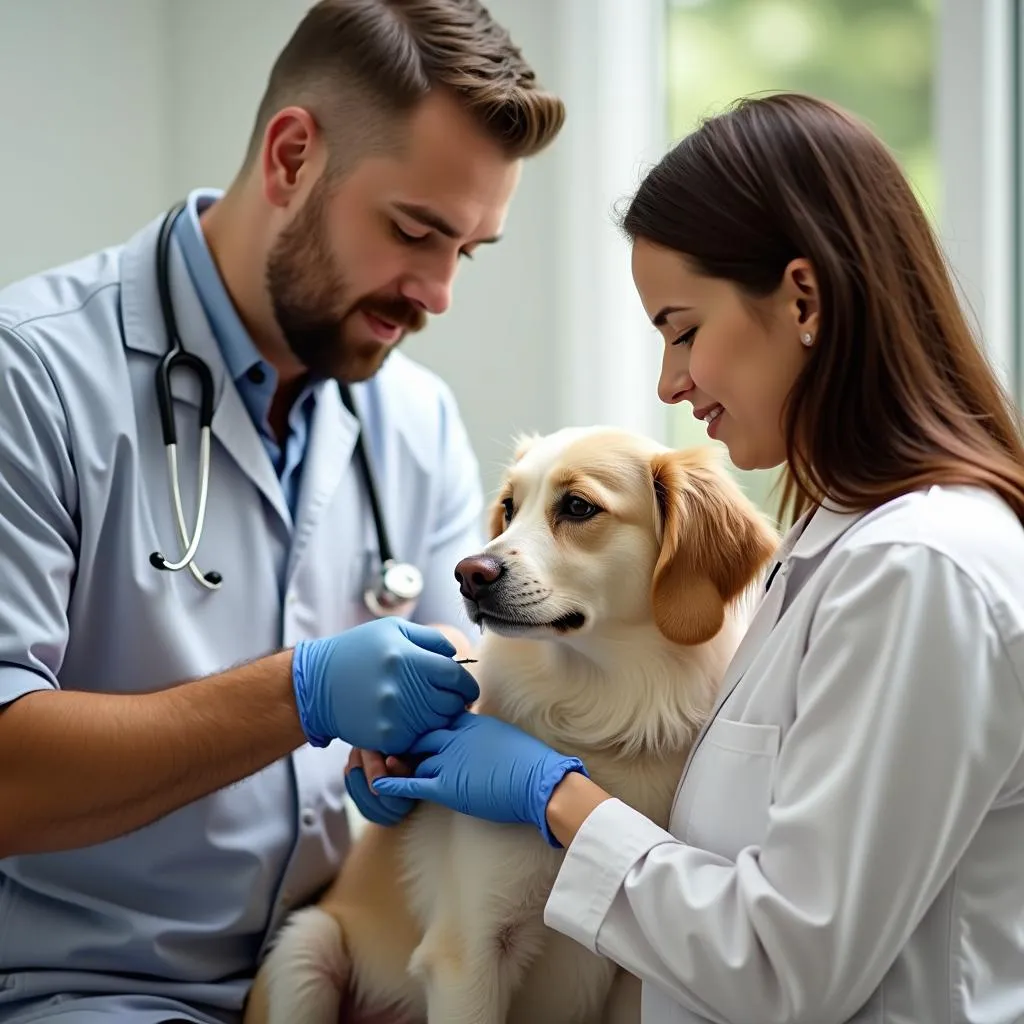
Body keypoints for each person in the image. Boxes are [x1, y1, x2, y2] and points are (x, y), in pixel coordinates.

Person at [370, 93, 1024, 1022]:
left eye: (683, 330)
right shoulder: (837, 549)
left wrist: (558, 802)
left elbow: (781, 967)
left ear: (803, 297)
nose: (671, 382)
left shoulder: (922, 571)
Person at [0, 2, 563, 1022]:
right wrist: (298, 696)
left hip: (338, 968)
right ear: (293, 156)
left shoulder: (415, 420)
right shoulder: (32, 377)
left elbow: (458, 690)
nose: (437, 293)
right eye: (413, 230)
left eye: (467, 251)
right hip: (90, 990)